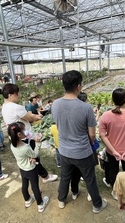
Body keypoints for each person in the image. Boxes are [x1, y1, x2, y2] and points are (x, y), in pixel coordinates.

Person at [51, 70, 107, 213]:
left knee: (65, 177)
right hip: (82, 152)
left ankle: (61, 200)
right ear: (78, 86)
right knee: (89, 179)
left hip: (64, 150)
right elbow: (92, 135)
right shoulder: (86, 108)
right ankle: (97, 205)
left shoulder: (55, 104)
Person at [1, 83, 57, 183]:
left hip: (14, 137)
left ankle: (38, 175)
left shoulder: (4, 106)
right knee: (34, 157)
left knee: (26, 159)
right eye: (17, 93)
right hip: (24, 137)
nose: (19, 95)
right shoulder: (16, 107)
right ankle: (45, 177)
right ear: (10, 95)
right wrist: (37, 117)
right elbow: (29, 118)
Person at [8, 121, 50, 212]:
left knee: (24, 184)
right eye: (24, 130)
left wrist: (30, 157)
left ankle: (27, 200)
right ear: (19, 134)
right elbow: (34, 155)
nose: (26, 132)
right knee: (35, 187)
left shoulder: (12, 145)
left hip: (22, 168)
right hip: (31, 169)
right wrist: (38, 143)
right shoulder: (25, 147)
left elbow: (25, 155)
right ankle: (40, 204)